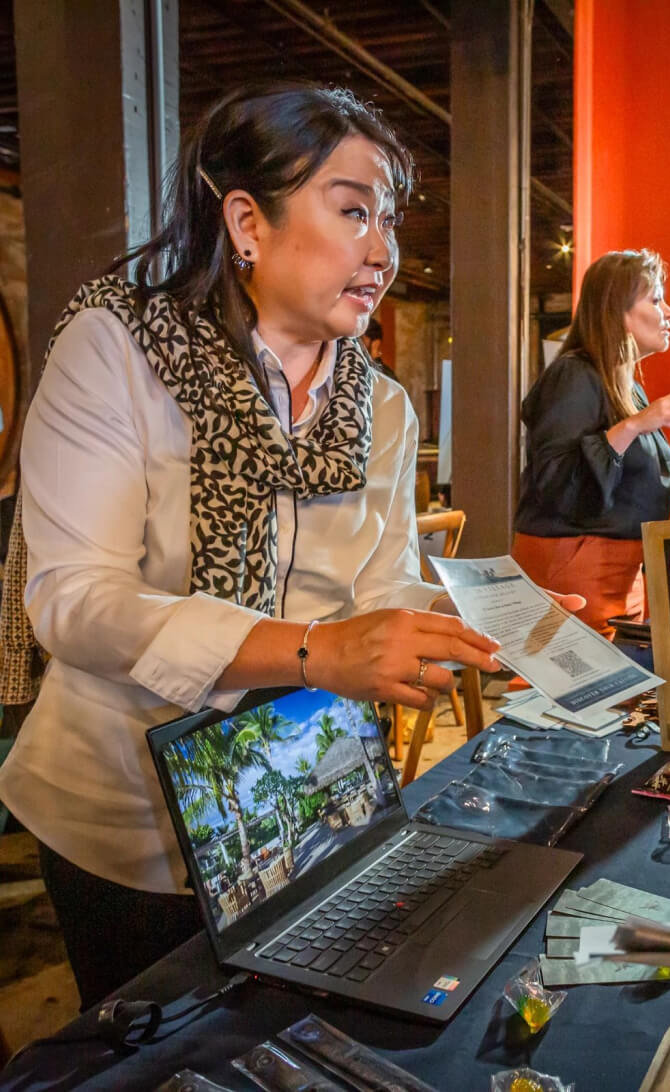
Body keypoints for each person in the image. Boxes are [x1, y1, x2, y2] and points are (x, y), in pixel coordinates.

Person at [0, 83, 507, 1008]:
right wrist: (316, 653)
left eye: (387, 221)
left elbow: (381, 581)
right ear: (247, 221)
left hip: (307, 804)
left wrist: (484, 624)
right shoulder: (118, 347)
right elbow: (75, 602)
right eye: (353, 211)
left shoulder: (378, 402)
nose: (384, 253)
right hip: (126, 821)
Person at [512, 249, 670, 636]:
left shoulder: (625, 387)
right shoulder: (574, 375)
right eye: (655, 299)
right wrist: (634, 426)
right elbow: (555, 482)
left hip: (618, 579)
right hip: (575, 574)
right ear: (617, 310)